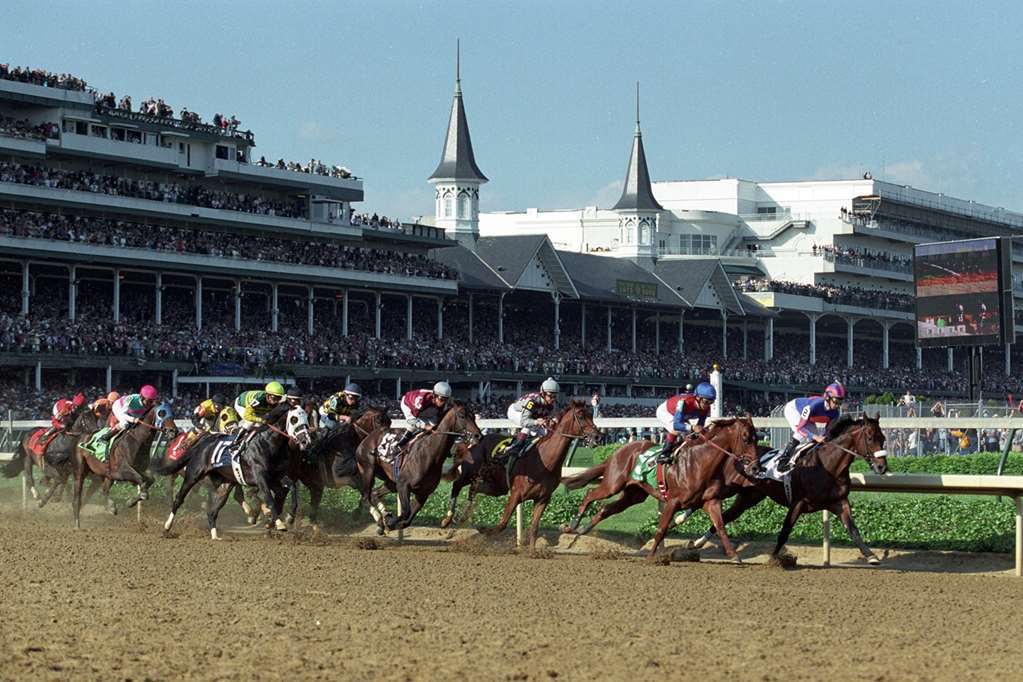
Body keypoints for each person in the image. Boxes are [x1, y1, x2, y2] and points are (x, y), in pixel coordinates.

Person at [777, 382, 845, 473]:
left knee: (815, 442)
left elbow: (827, 431)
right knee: (802, 435)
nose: (837, 405)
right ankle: (783, 461)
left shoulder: (835, 413)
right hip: (793, 410)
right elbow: (800, 428)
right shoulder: (814, 405)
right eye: (836, 401)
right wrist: (816, 437)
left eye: (840, 402)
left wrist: (823, 437)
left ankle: (805, 461)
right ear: (828, 398)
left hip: (809, 418)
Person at [654, 382, 715, 464]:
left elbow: (700, 425)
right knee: (676, 429)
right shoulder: (684, 402)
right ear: (698, 398)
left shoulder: (706, 408)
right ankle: (664, 453)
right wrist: (692, 427)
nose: (708, 405)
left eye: (711, 402)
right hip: (665, 412)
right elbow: (676, 425)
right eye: (706, 402)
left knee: (692, 434)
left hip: (682, 415)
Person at [503, 378, 560, 462]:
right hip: (515, 412)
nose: (553, 399)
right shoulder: (532, 401)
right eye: (550, 396)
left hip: (531, 416)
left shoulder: (552, 405)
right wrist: (536, 422)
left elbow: (548, 420)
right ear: (543, 394)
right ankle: (514, 447)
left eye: (555, 396)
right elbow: (524, 421)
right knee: (530, 426)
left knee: (545, 432)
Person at [395, 381, 452, 452]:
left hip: (427, 407)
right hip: (408, 404)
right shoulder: (421, 400)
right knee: (414, 425)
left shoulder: (442, 403)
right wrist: (425, 426)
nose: (443, 403)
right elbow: (412, 421)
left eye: (446, 400)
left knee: (435, 426)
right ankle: (401, 443)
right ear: (434, 396)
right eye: (441, 399)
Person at [231, 381, 286, 451]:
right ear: (267, 395)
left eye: (279, 398)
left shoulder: (278, 400)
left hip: (257, 409)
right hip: (242, 405)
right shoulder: (259, 399)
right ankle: (235, 442)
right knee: (250, 422)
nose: (276, 401)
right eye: (274, 398)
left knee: (261, 426)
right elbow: (247, 415)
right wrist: (260, 420)